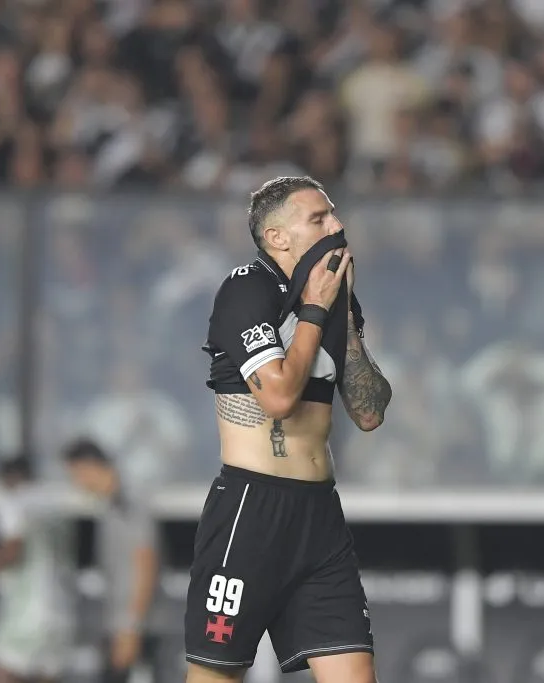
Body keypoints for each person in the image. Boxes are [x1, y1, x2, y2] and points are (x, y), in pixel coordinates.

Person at [186, 175, 393, 683]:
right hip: (251, 510)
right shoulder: (245, 289)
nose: (338, 226)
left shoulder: (331, 298)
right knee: (217, 675)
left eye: (335, 214)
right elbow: (278, 397)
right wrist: (315, 311)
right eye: (319, 219)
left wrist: (339, 313)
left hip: (319, 515)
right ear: (279, 237)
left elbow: (369, 412)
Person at [63, 438, 162, 683]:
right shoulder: (111, 505)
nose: (76, 483)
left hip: (136, 627)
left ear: (89, 466)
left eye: (76, 474)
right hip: (120, 626)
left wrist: (131, 626)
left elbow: (145, 562)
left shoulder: (128, 502)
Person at [0, 454, 76, 683]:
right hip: (62, 615)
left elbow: (12, 552)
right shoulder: (55, 506)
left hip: (28, 614)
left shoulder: (14, 501)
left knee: (2, 668)